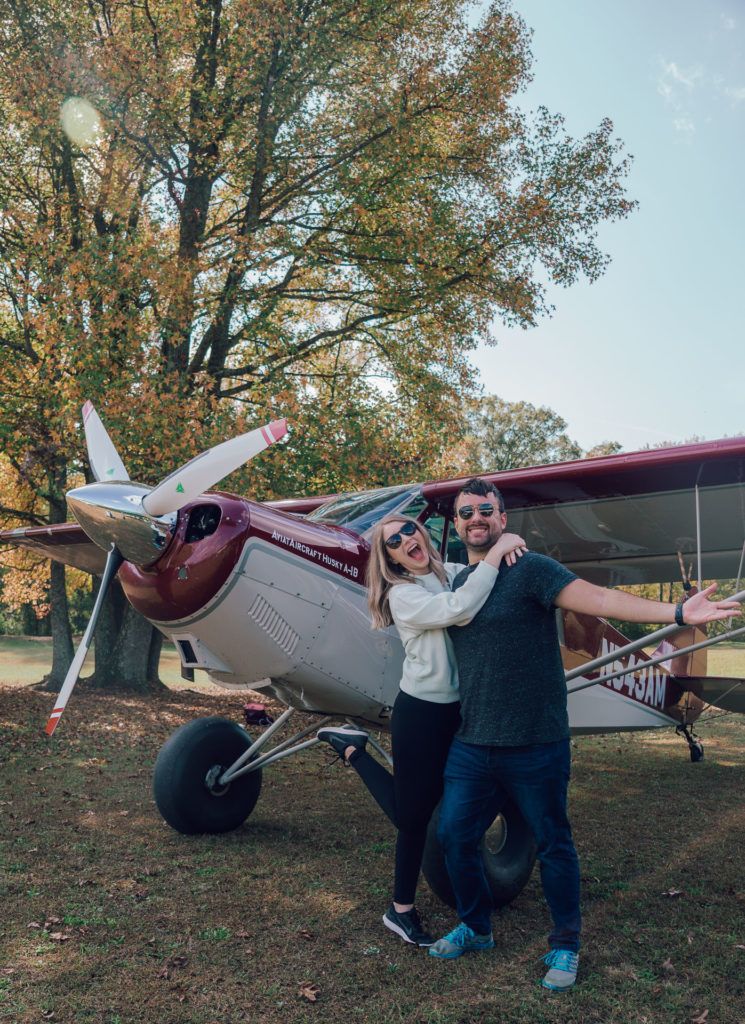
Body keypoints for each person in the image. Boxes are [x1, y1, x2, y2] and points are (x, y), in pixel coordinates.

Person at [427, 478, 742, 991]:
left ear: (503, 520)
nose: (476, 518)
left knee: (553, 844)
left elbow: (597, 597)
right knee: (452, 837)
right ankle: (476, 927)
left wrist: (679, 613)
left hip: (536, 741)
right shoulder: (458, 585)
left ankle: (565, 945)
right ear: (457, 525)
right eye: (466, 512)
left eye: (487, 509)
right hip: (474, 741)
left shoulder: (531, 570)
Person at [316, 513, 527, 947]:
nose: (404, 539)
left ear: (421, 533)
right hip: (421, 712)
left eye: (408, 529)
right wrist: (499, 550)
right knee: (410, 818)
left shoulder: (445, 573)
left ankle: (353, 751)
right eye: (393, 541)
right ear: (390, 558)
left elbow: (477, 577)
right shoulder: (403, 595)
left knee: (432, 807)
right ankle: (400, 910)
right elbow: (462, 608)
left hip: (457, 710)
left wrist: (507, 544)